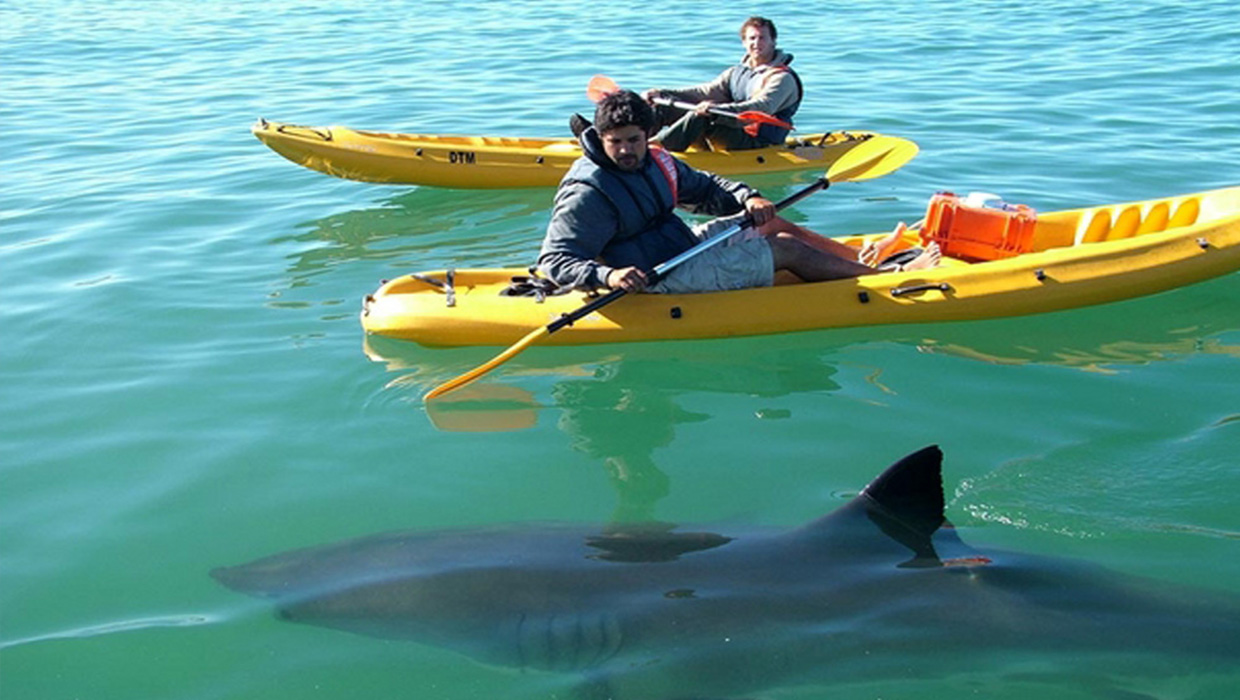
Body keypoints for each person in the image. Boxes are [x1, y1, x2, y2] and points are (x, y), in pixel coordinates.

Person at [537, 90, 938, 295]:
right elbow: (554, 260)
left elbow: (707, 187)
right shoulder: (588, 191)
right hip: (655, 279)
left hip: (680, 248)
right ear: (601, 138)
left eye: (633, 140)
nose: (625, 150)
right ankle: (891, 278)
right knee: (785, 249)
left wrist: (748, 198)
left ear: (647, 136)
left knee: (769, 223)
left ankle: (857, 258)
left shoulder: (656, 160)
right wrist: (608, 275)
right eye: (615, 142)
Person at [643, 16, 802, 152]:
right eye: (752, 38)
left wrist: (716, 111)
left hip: (758, 143)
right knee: (663, 106)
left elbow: (762, 107)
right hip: (732, 133)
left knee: (703, 115)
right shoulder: (736, 72)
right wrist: (663, 93)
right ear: (744, 42)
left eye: (762, 38)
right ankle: (637, 144)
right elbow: (707, 91)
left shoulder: (782, 78)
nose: (756, 43)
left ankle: (657, 150)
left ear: (773, 41)